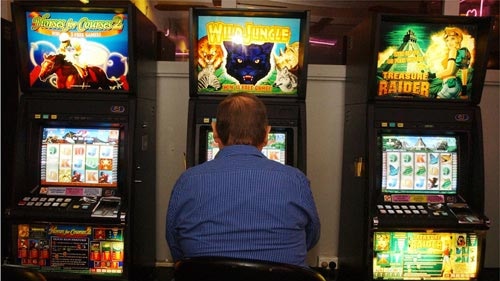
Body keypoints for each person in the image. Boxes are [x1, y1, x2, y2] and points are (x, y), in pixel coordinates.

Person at [166, 92, 320, 268]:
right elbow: (311, 236)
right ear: (267, 134)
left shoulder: (187, 181)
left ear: (215, 131)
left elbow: (175, 245)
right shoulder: (295, 180)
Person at [435, 27, 471, 99]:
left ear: (459, 39)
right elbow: (464, 71)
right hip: (455, 86)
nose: (449, 42)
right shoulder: (461, 52)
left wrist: (435, 75)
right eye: (447, 40)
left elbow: (450, 71)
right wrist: (464, 90)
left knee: (436, 107)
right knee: (450, 109)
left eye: (453, 39)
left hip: (449, 85)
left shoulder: (453, 51)